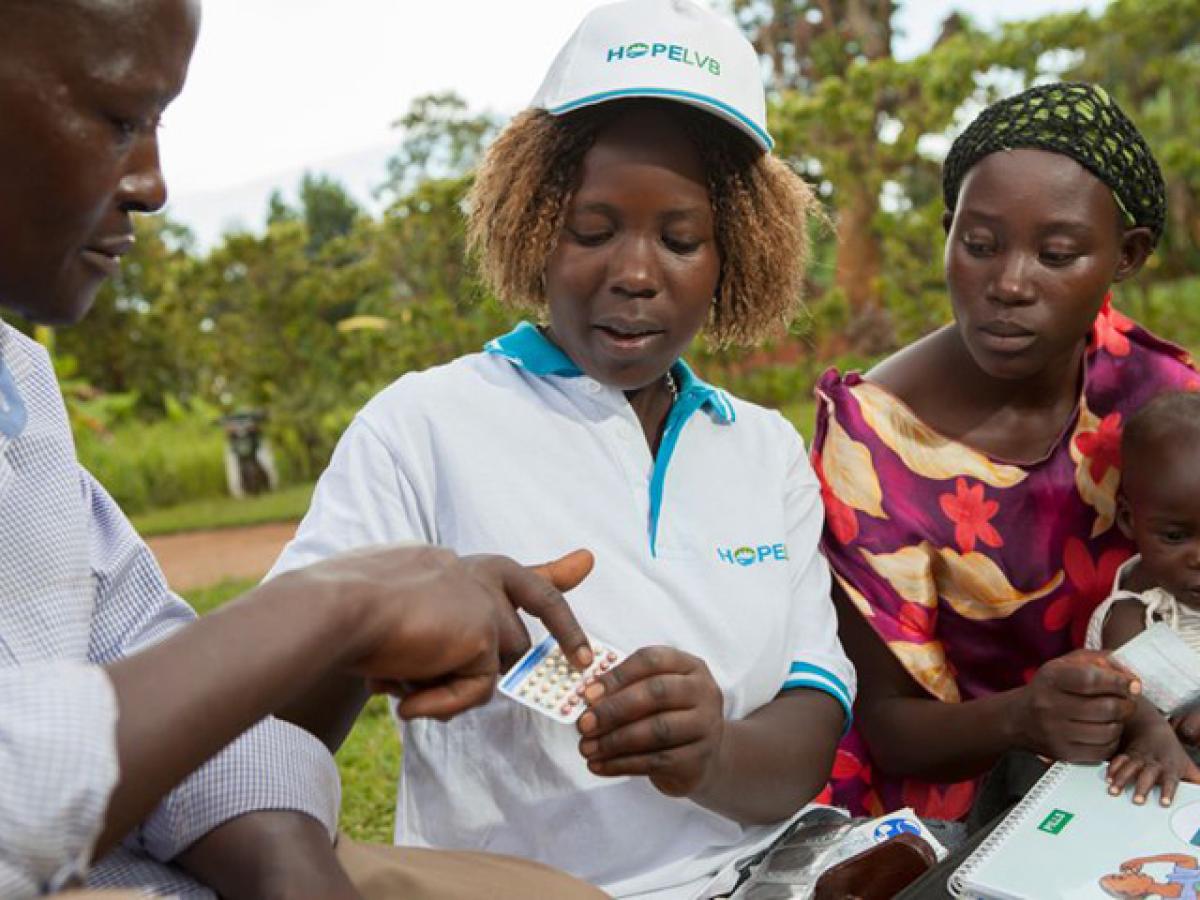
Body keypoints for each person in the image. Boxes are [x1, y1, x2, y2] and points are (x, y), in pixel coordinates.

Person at [0, 1, 607, 897]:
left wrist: (281, 857)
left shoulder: (22, 395)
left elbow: (163, 680)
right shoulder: (419, 418)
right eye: (120, 119)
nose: (153, 182)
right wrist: (341, 603)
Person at [267, 1, 855, 897]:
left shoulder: (762, 451)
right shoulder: (421, 427)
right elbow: (268, 727)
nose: (634, 270)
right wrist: (378, 622)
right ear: (532, 224)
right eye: (592, 229)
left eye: (681, 238)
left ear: (732, 254)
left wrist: (714, 752)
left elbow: (811, 724)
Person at [812, 82, 1200, 827]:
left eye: (1057, 254)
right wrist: (1023, 720)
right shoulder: (875, 447)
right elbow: (889, 726)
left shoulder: (1156, 394)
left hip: (1163, 764)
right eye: (980, 245)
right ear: (948, 231)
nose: (1009, 284)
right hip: (971, 794)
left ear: (1128, 255)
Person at [1084, 391, 1200, 803]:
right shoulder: (1134, 614)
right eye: (1175, 536)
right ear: (1131, 521)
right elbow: (1131, 698)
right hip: (1165, 781)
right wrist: (1150, 730)